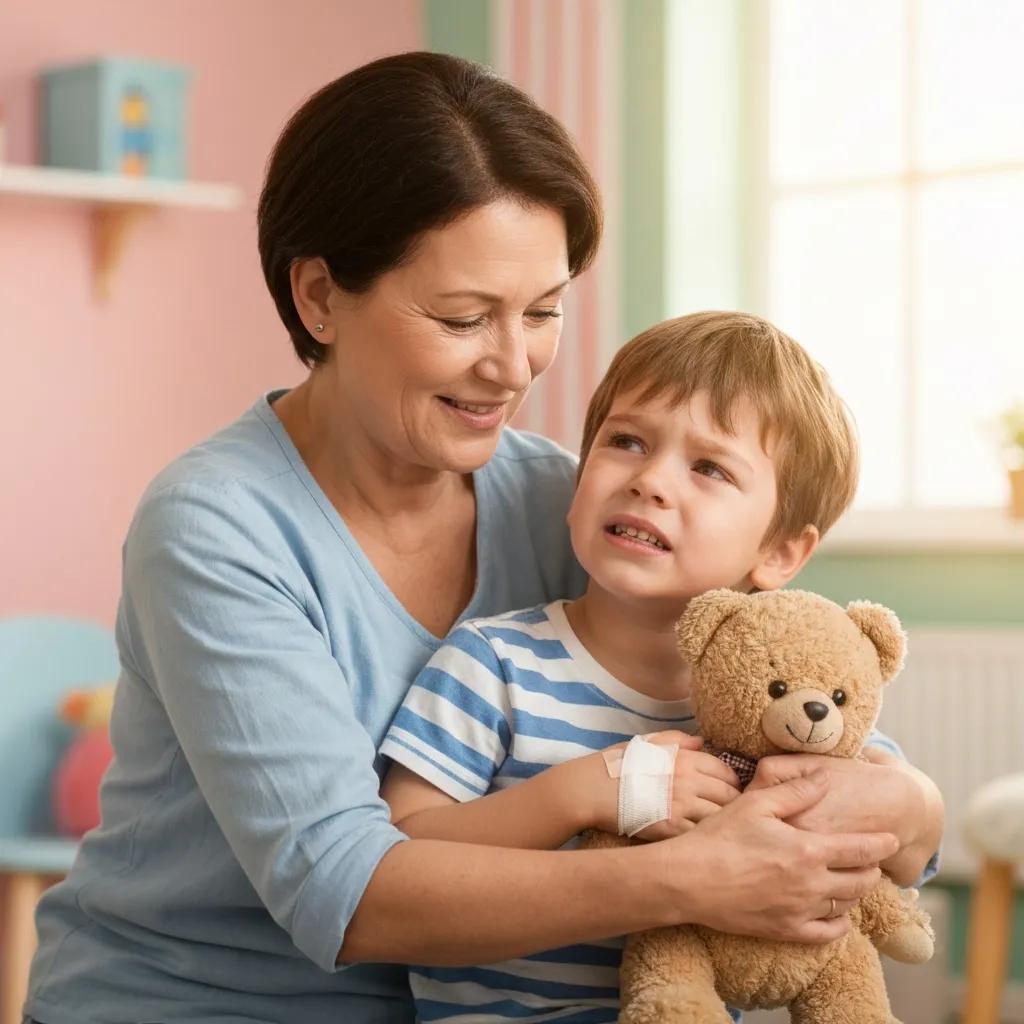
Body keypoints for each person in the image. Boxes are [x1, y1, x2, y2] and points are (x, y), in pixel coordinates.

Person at [24, 55, 936, 1024]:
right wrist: (693, 877)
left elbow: (773, 688)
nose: (511, 365)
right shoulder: (216, 528)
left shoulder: (573, 502)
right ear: (320, 297)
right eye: (463, 318)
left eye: (542, 311)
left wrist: (910, 804)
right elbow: (344, 890)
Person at [378, 311, 944, 1023]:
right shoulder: (491, 664)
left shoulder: (790, 700)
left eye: (708, 467)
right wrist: (585, 793)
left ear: (779, 554)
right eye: (625, 441)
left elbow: (906, 828)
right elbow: (401, 857)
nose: (649, 480)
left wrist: (913, 804)